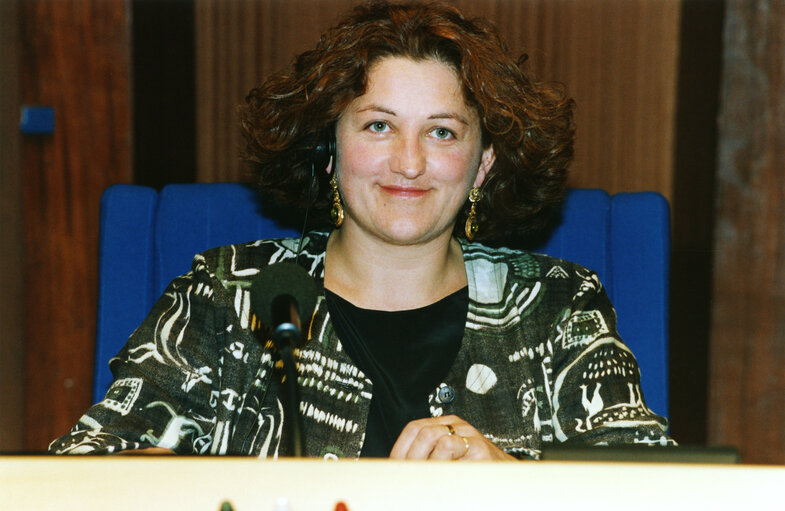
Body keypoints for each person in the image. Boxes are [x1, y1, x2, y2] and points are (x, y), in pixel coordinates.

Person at [50, 1, 673, 460]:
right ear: (330, 151)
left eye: (443, 131)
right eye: (378, 126)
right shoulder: (227, 295)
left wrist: (509, 478)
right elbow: (81, 474)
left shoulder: (558, 308)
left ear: (483, 163)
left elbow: (651, 488)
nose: (409, 161)